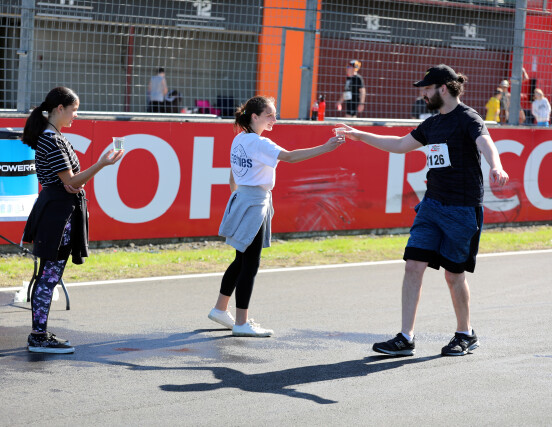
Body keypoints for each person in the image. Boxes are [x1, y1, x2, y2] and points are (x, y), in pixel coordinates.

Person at [340, 64, 509, 356]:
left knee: (453, 275)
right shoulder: (432, 124)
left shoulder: (468, 117)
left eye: (428, 89)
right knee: (413, 265)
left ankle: (465, 333)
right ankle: (405, 337)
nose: (424, 94)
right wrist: (360, 135)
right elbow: (400, 144)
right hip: (431, 206)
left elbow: (486, 142)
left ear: (443, 88)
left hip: (462, 209)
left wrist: (497, 165)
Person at [208, 95, 343, 337]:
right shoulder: (261, 143)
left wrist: (238, 199)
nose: (274, 119)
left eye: (274, 114)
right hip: (253, 203)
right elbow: (290, 157)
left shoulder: (240, 138)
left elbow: (232, 175)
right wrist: (326, 147)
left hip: (242, 199)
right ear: (254, 117)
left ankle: (220, 309)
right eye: (269, 115)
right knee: (250, 264)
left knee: (241, 260)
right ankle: (241, 323)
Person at [21, 87, 124, 353]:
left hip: (58, 210)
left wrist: (75, 183)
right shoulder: (52, 140)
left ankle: (39, 333)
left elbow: (71, 183)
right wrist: (101, 164)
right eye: (74, 110)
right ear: (60, 109)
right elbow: (71, 181)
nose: (76, 115)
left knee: (49, 275)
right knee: (49, 276)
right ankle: (38, 336)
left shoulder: (53, 137)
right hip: (57, 214)